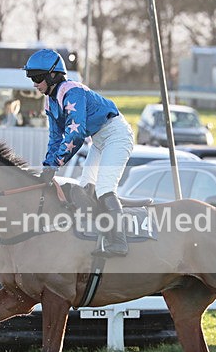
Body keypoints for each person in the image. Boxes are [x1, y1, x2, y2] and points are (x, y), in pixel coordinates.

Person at [23, 48, 133, 257]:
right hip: (100, 140)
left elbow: (76, 134)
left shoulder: (72, 91)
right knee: (84, 189)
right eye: (31, 78)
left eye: (37, 78)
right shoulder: (51, 101)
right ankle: (96, 234)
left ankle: (120, 242)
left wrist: (55, 164)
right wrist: (48, 167)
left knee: (104, 188)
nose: (34, 84)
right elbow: (55, 138)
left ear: (53, 75)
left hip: (116, 135)